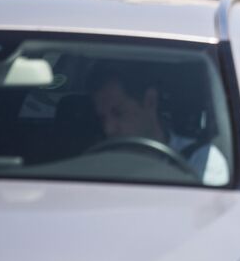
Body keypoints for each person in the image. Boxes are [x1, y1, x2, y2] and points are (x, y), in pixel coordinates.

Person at [87, 61, 229, 186]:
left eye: (118, 113)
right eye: (102, 118)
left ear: (150, 101)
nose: (108, 128)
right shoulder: (96, 165)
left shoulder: (199, 159)